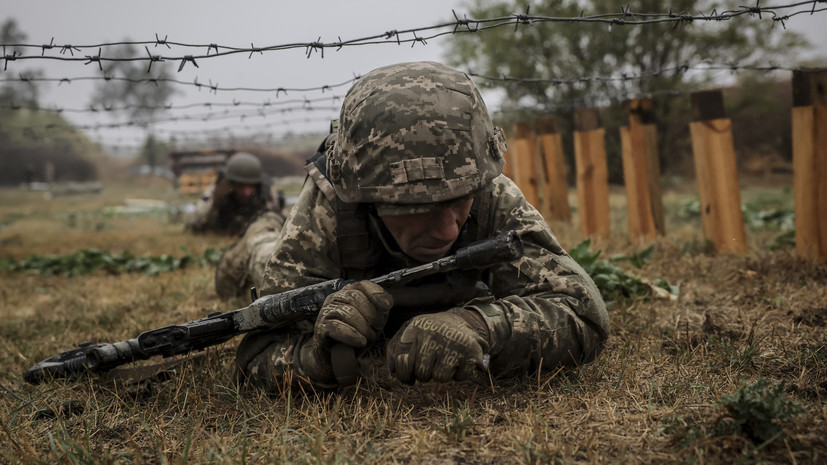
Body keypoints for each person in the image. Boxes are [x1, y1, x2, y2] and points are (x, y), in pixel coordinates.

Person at [234, 61, 609, 390]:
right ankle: (258, 234)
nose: (447, 230)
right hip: (285, 250)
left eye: (459, 200)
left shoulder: (488, 190)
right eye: (417, 207)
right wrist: (321, 356)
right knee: (262, 249)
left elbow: (583, 311)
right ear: (365, 196)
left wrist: (483, 327)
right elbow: (258, 355)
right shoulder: (328, 208)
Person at [185, 152, 285, 236]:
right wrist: (215, 201)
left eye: (251, 186)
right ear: (231, 184)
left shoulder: (267, 193)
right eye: (241, 186)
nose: (247, 192)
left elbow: (281, 219)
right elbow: (193, 223)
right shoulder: (217, 190)